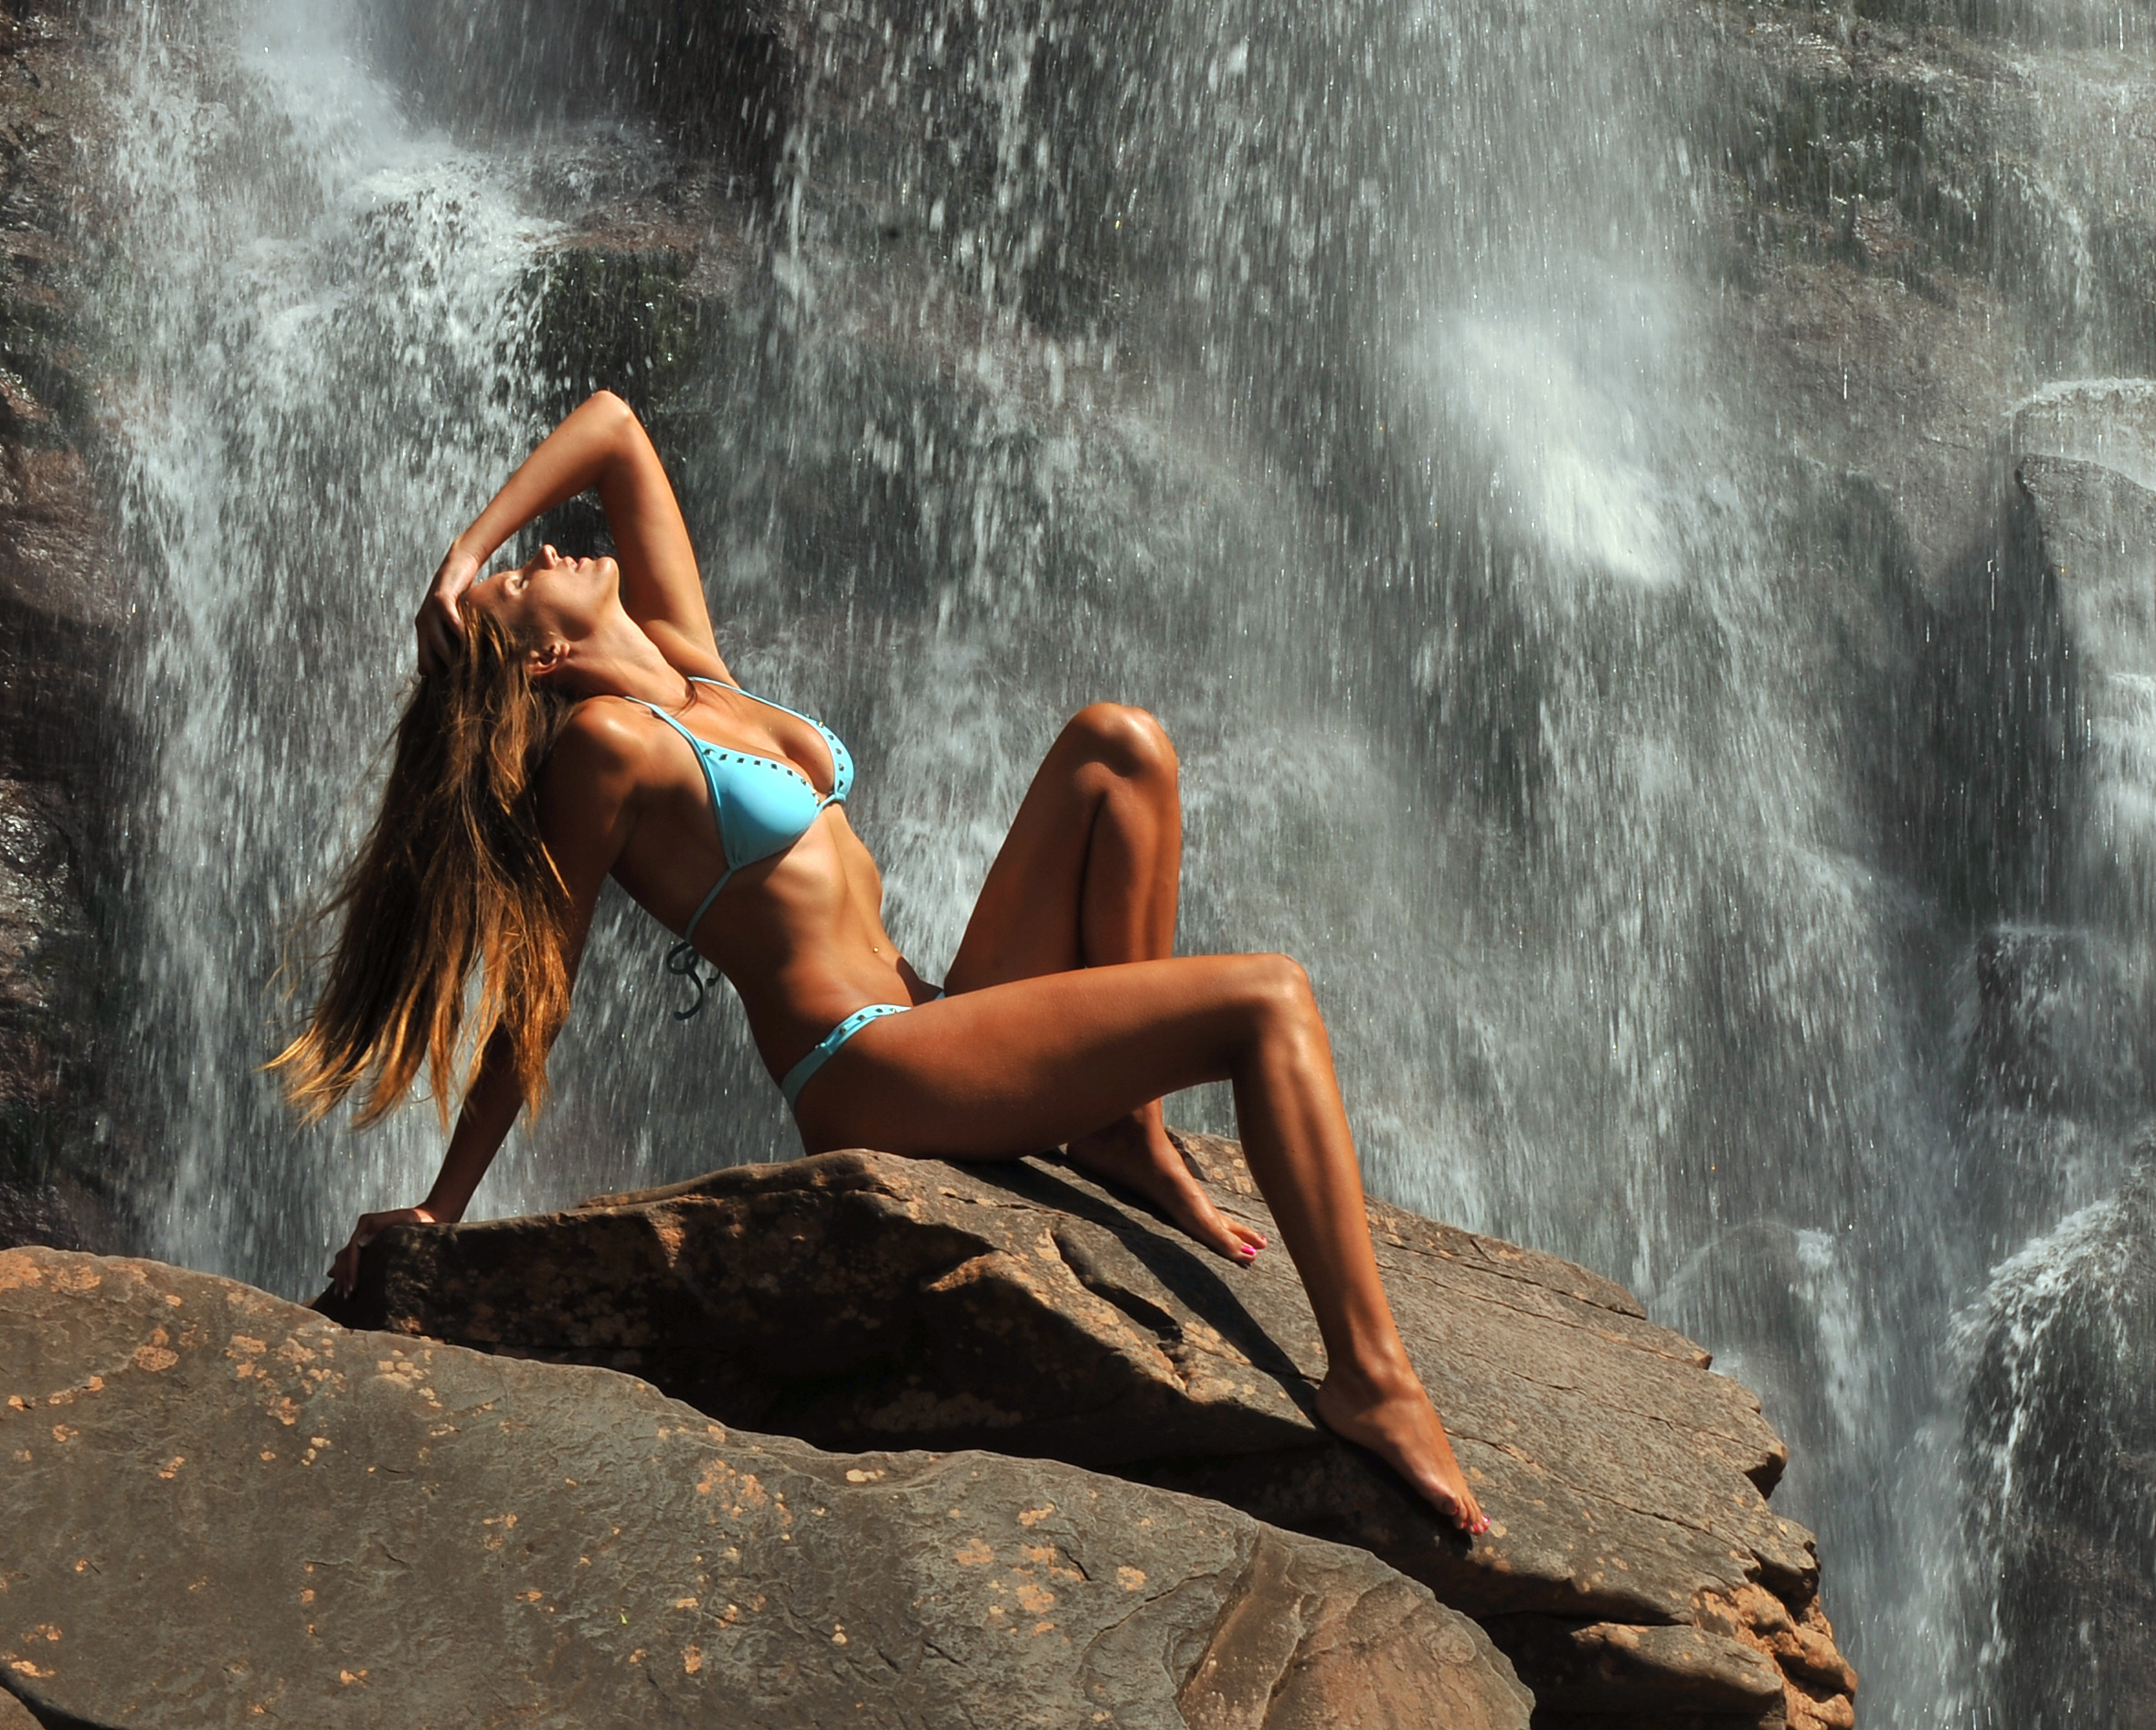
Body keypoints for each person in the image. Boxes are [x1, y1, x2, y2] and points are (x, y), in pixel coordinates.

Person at [276, 389, 1491, 1536]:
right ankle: (1369, 1378)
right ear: (536, 661)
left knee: (1120, 749)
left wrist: (454, 558)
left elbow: (615, 429)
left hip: (932, 1010)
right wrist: (444, 1206)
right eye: (505, 582)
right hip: (869, 1065)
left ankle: (1124, 1130)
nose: (530, 558)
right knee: (1268, 999)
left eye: (512, 557)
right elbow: (538, 996)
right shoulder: (606, 749)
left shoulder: (697, 673)